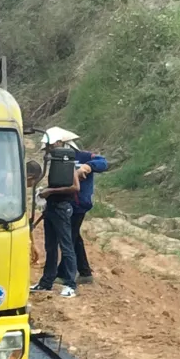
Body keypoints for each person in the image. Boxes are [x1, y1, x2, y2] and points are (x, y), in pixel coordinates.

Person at [50, 127, 110, 284]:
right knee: (74, 237)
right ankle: (84, 272)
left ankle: (64, 273)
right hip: (66, 203)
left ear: (60, 143)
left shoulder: (83, 156)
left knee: (69, 237)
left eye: (51, 145)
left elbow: (103, 162)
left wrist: (86, 167)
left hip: (79, 204)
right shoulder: (56, 159)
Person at [33, 127, 89, 297]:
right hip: (51, 208)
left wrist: (51, 192)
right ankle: (46, 282)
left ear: (57, 144)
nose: (48, 151)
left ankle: (70, 284)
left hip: (62, 207)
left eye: (49, 147)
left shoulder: (67, 163)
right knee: (50, 247)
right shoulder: (56, 163)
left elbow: (75, 187)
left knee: (66, 246)